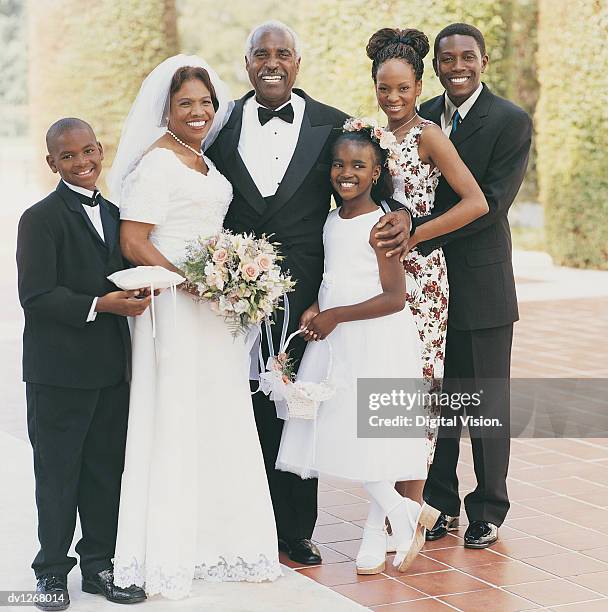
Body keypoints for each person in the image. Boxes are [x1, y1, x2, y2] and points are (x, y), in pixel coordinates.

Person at [207, 20, 412, 567]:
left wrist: (404, 217)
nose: (271, 63)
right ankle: (238, 522)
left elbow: (379, 179)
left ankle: (296, 530)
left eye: (282, 54)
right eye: (260, 54)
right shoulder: (219, 124)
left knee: (295, 408)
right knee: (238, 405)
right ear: (246, 62)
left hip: (307, 292)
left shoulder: (330, 124)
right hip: (232, 285)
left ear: (298, 62)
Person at [108, 56, 281, 600]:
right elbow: (134, 240)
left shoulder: (200, 159)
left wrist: (228, 277)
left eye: (205, 103)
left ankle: (220, 542)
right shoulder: (159, 163)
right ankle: (169, 548)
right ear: (166, 109)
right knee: (177, 416)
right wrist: (192, 282)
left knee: (218, 415)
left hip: (213, 308)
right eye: (186, 104)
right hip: (177, 308)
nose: (199, 111)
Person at [16, 118, 150, 611]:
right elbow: (35, 295)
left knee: (103, 472)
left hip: (112, 370)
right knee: (57, 475)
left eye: (89, 151)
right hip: (59, 374)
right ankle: (50, 573)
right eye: (69, 156)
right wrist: (102, 305)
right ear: (53, 163)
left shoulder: (117, 214)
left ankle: (99, 567)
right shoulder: (39, 218)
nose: (83, 162)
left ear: (101, 150)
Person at [365, 27, 487, 532]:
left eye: (403, 89)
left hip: (423, 282)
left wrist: (417, 233)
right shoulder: (364, 136)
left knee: (418, 389)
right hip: (376, 279)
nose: (393, 98)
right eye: (384, 89)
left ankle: (410, 512)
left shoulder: (430, 136)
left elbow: (475, 202)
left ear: (419, 88)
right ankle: (390, 503)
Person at [418, 23, 532, 549]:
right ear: (435, 65)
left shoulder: (510, 121)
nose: (457, 66)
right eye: (447, 59)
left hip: (481, 282)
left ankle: (488, 509)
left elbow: (491, 201)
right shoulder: (421, 120)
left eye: (467, 57)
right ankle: (438, 504)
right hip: (425, 288)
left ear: (484, 61)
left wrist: (420, 236)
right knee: (437, 401)